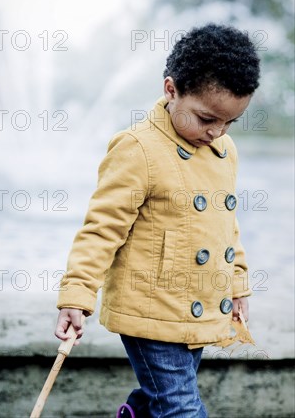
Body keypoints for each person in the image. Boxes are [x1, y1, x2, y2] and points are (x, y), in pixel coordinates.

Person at [54, 23, 261, 417]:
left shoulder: (224, 150)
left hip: (199, 301)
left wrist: (237, 282)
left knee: (161, 400)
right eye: (205, 118)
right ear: (171, 90)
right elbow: (102, 229)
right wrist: (77, 296)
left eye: (229, 122)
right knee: (181, 407)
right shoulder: (138, 148)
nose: (216, 131)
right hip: (151, 309)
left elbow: (225, 225)